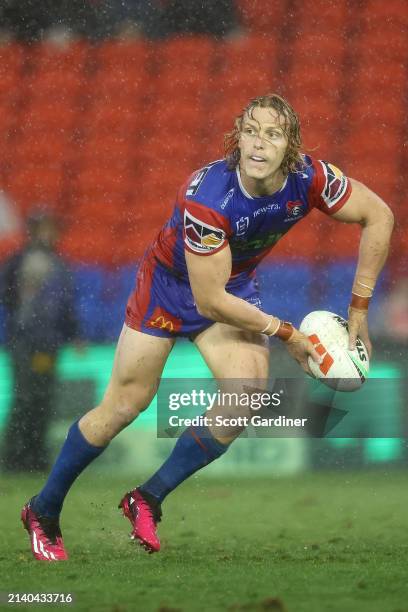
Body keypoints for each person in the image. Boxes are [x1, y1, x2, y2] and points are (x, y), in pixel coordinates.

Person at [21, 93, 394, 561]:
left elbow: (379, 215)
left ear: (291, 146)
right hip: (170, 287)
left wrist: (359, 309)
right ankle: (44, 509)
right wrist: (289, 335)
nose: (259, 144)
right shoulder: (209, 198)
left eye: (272, 134)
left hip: (231, 283)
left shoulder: (310, 178)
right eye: (251, 131)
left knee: (247, 395)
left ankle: (147, 497)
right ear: (237, 138)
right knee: (124, 405)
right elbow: (209, 301)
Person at [1, 209, 79, 472]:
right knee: (24, 397)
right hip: (25, 342)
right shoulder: (20, 261)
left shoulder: (59, 265)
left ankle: (34, 458)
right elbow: (6, 296)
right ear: (33, 231)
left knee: (42, 399)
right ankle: (15, 458)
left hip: (47, 344)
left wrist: (74, 334)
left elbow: (67, 305)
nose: (50, 234)